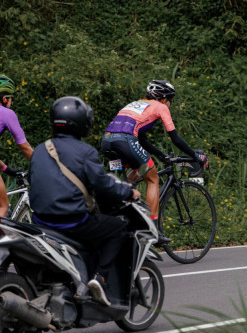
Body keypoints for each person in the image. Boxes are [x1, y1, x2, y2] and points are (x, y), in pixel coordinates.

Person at [29, 96, 141, 306]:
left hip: (40, 222)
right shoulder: (85, 151)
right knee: (118, 228)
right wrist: (128, 191)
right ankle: (100, 278)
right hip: (72, 222)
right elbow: (103, 185)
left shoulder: (40, 150)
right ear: (81, 123)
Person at [100, 80, 207, 245]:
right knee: (153, 178)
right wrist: (196, 156)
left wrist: (161, 155)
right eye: (170, 101)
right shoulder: (160, 107)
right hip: (125, 141)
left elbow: (141, 140)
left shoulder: (136, 104)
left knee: (138, 173)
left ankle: (122, 213)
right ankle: (152, 229)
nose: (169, 104)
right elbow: (175, 139)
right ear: (164, 99)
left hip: (107, 142)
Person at [0, 75, 34, 218]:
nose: (11, 102)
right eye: (11, 99)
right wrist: (42, 164)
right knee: (3, 206)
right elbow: (25, 147)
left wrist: (6, 169)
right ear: (4, 99)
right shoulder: (7, 114)